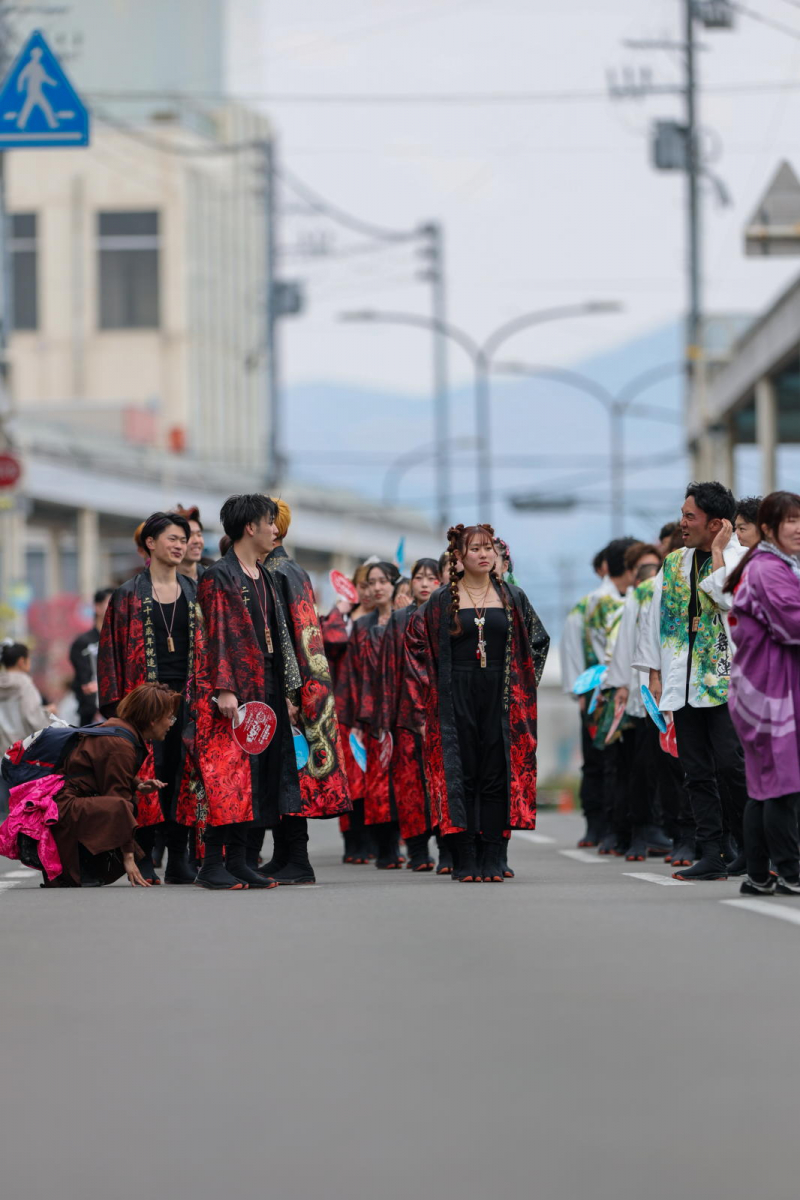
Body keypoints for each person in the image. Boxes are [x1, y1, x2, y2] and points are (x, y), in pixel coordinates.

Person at [193, 494, 349, 890]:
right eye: (269, 523)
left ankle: (241, 860)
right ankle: (213, 864)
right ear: (250, 527)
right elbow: (217, 636)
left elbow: (279, 640)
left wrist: (289, 693)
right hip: (232, 689)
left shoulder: (263, 573)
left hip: (267, 684)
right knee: (228, 775)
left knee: (259, 775)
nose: (275, 530)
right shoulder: (218, 575)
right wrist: (225, 688)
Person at [405, 524, 549, 883]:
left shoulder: (513, 596)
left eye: (489, 549)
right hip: (455, 696)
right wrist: (426, 700)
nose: (484, 555)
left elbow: (539, 642)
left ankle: (494, 855)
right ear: (459, 556)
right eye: (475, 549)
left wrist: (524, 686)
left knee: (497, 774)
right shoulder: (440, 601)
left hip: (502, 695)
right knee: (461, 775)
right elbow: (414, 648)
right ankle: (465, 855)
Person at [636, 481, 750, 881]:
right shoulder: (673, 563)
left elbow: (731, 602)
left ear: (716, 523)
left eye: (690, 516)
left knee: (732, 767)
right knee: (695, 770)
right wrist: (653, 673)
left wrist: (718, 551)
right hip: (681, 681)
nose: (681, 523)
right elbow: (656, 619)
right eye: (682, 514)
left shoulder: (740, 559)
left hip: (725, 682)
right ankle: (712, 852)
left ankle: (749, 847)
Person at [98, 512, 199, 886]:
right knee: (143, 776)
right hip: (143, 705)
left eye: (182, 539)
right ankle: (144, 854)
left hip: (187, 700)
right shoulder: (127, 595)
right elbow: (108, 652)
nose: (178, 545)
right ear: (150, 544)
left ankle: (179, 857)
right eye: (171, 538)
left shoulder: (195, 592)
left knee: (184, 774)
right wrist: (117, 708)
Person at [262, 496, 352, 882]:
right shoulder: (274, 568)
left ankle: (297, 858)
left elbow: (301, 638)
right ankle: (285, 855)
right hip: (296, 684)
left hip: (295, 687)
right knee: (283, 772)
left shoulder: (282, 570)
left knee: (291, 771)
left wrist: (294, 692)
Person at [726, 492, 800, 896]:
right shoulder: (769, 569)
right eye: (790, 521)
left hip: (769, 688)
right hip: (769, 691)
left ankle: (758, 875)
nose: (799, 528)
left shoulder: (772, 566)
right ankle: (789, 871)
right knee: (782, 785)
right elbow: (792, 624)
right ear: (769, 530)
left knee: (765, 786)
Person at [49, 683, 181, 888]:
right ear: (153, 719)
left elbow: (96, 771)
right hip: (65, 809)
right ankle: (87, 864)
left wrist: (137, 784)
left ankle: (89, 865)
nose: (171, 724)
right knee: (124, 806)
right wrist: (129, 858)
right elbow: (118, 802)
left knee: (126, 803)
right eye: (169, 717)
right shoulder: (119, 744)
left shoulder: (117, 730)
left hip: (65, 807)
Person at [606, 542, 689, 861]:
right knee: (645, 766)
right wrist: (622, 686)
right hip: (649, 696)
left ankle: (677, 830)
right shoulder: (643, 593)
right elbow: (627, 642)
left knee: (678, 768)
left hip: (686, 691)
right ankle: (642, 831)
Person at [377, 558, 441, 871]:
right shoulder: (399, 619)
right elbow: (387, 670)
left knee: (442, 782)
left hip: (441, 714)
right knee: (410, 786)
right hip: (404, 717)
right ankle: (418, 852)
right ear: (411, 583)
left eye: (432, 578)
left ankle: (450, 848)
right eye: (419, 578)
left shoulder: (448, 616)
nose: (425, 583)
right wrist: (385, 719)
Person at [341, 560, 402, 868]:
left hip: (404, 713)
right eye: (372, 582)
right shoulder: (362, 627)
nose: (377, 587)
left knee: (404, 782)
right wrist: (357, 720)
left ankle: (416, 847)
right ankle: (386, 849)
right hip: (372, 716)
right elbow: (353, 675)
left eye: (383, 581)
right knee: (377, 784)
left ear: (394, 584)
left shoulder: (408, 620)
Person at [559, 545, 612, 848]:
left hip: (620, 688)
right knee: (594, 761)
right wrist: (579, 691)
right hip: (592, 692)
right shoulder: (585, 607)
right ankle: (594, 824)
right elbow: (571, 651)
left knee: (615, 763)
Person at [69, 589, 114, 726]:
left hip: (120, 712)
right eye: (110, 603)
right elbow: (84, 682)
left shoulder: (123, 640)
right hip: (91, 715)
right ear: (97, 607)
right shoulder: (83, 642)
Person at [0, 643, 53, 751]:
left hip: (3, 752)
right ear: (21, 661)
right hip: (23, 751)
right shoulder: (24, 684)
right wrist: (47, 713)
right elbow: (34, 718)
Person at [173, 505, 208, 582]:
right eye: (190, 535)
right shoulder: (164, 582)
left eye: (199, 535)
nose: (196, 541)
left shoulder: (212, 579)